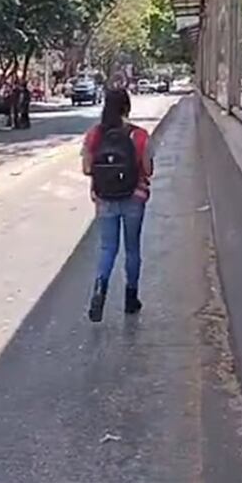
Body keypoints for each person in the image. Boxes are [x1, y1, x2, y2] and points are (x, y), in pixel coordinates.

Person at [81, 88, 154, 322]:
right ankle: (131, 298)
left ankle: (100, 289)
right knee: (132, 249)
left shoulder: (95, 135)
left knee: (107, 248)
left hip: (104, 199)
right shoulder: (139, 135)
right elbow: (149, 170)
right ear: (127, 106)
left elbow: (86, 168)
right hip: (134, 197)